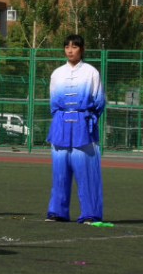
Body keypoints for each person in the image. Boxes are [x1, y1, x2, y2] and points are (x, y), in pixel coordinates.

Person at [46, 34, 106, 224]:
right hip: (61, 123)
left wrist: (88, 118)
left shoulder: (91, 72)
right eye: (67, 47)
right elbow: (53, 102)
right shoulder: (57, 73)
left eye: (74, 47)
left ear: (82, 49)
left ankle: (90, 213)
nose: (70, 50)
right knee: (60, 171)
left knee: (86, 170)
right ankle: (57, 212)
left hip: (82, 124)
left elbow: (99, 100)